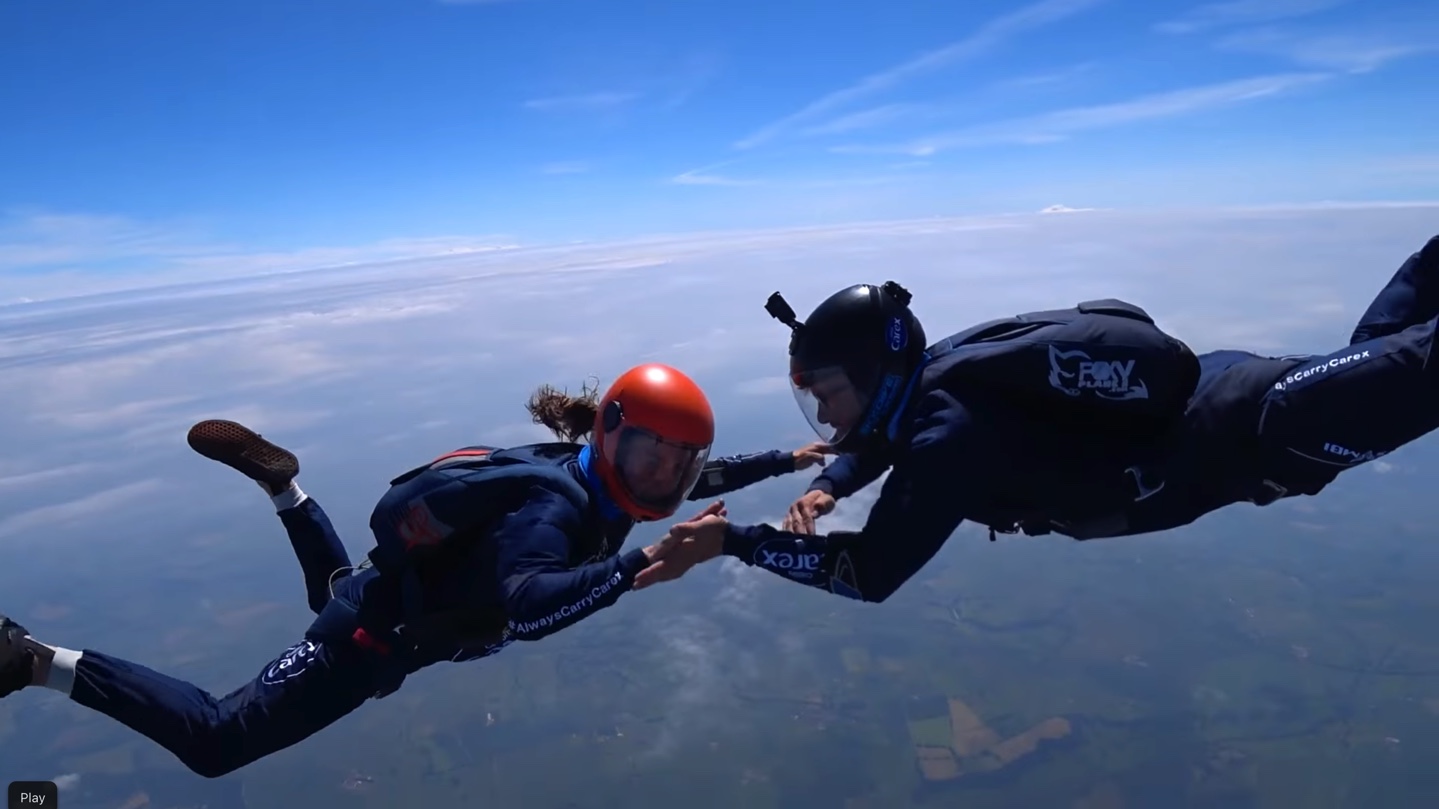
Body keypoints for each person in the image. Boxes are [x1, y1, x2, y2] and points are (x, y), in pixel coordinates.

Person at [0, 363, 832, 778]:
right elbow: (529, 605)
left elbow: (704, 477)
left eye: (677, 465)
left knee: (338, 590)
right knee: (221, 739)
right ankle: (32, 656)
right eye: (654, 457)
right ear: (612, 436)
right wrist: (643, 564)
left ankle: (287, 485)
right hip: (372, 638)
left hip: (400, 613)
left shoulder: (599, 475)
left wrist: (785, 459)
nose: (668, 480)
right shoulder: (556, 513)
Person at [633, 234, 1439, 604]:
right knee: (1391, 347)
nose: (824, 412)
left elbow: (866, 575)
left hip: (1254, 430)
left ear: (876, 374)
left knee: (1417, 367)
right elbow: (888, 430)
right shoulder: (938, 374)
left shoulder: (944, 432)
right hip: (1231, 403)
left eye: (828, 391)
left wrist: (732, 541)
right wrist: (834, 481)